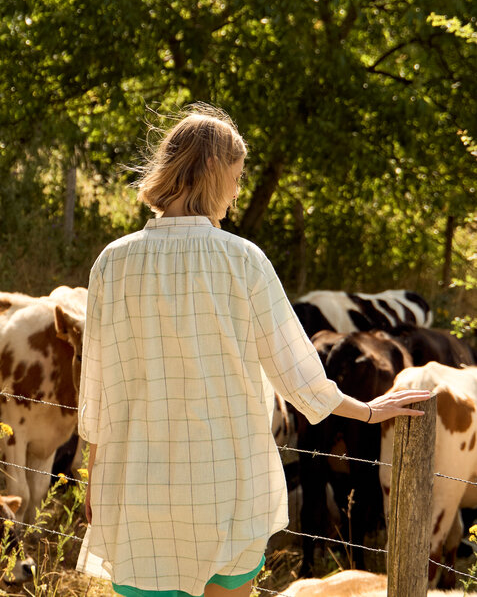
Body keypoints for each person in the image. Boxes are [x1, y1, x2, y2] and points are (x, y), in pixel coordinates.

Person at [75, 104, 430, 597]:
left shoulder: (111, 263)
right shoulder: (244, 261)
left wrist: (96, 477)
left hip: (139, 495)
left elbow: (98, 387)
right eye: (237, 178)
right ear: (213, 175)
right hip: (229, 494)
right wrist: (367, 413)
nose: (238, 193)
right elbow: (299, 375)